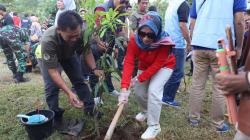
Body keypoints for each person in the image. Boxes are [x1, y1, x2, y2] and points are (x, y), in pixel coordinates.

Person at [188, 0, 246, 132]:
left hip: (199, 43)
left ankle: (193, 118)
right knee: (219, 86)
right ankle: (217, 124)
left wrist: (193, 41)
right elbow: (239, 20)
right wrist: (239, 46)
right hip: (220, 45)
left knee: (197, 84)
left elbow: (192, 22)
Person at [40, 11, 104, 126]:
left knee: (79, 79)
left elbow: (86, 51)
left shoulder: (83, 32)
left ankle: (90, 109)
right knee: (52, 87)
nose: (75, 39)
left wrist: (94, 68)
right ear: (59, 30)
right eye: (70, 36)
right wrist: (69, 92)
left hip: (69, 55)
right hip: (49, 56)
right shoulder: (48, 40)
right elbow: (53, 71)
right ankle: (56, 116)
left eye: (77, 35)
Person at [118, 11, 175, 139]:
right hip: (145, 65)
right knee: (139, 91)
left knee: (153, 90)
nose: (145, 38)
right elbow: (129, 62)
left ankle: (154, 126)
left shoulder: (165, 42)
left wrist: (139, 78)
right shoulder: (134, 39)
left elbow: (157, 65)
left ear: (158, 32)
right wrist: (123, 88)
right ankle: (146, 111)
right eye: (142, 33)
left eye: (150, 35)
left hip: (164, 66)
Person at [92, 0, 129, 96]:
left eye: (126, 2)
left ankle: (109, 88)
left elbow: (119, 32)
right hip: (97, 44)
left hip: (110, 45)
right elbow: (95, 30)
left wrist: (117, 46)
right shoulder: (101, 9)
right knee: (95, 68)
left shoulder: (122, 12)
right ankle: (95, 96)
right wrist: (98, 42)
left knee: (107, 66)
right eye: (122, 1)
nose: (124, 5)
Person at [162, 0, 191, 108]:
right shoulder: (183, 4)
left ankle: (164, 95)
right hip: (177, 44)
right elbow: (183, 25)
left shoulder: (172, 4)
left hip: (168, 42)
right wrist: (189, 42)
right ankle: (167, 98)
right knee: (177, 72)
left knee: (168, 70)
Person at [0, 4, 30, 83]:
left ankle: (15, 74)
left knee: (9, 57)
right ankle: (19, 77)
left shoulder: (7, 19)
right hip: (11, 37)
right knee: (22, 57)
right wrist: (26, 53)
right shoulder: (24, 32)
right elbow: (26, 43)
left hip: (1, 37)